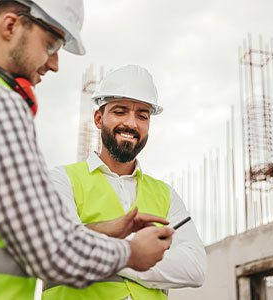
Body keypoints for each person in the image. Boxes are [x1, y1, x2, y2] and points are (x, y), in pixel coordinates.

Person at [0, 2, 174, 299]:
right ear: (10, 26)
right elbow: (47, 247)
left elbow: (12, 230)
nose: (54, 63)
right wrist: (130, 252)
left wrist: (105, 231)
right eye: (51, 45)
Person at [43, 65, 207, 300]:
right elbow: (60, 248)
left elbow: (195, 268)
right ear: (99, 119)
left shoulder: (166, 195)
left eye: (142, 115)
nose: (131, 123)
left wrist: (94, 245)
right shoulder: (60, 181)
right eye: (120, 111)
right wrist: (137, 252)